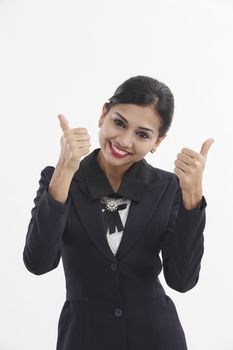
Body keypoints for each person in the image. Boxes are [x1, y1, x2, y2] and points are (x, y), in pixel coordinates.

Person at [23, 75, 214, 350]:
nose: (124, 140)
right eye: (119, 123)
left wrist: (193, 199)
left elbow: (182, 281)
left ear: (158, 142)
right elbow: (38, 262)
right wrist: (64, 172)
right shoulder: (59, 179)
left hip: (156, 338)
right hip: (84, 338)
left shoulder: (168, 187)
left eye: (142, 134)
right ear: (103, 114)